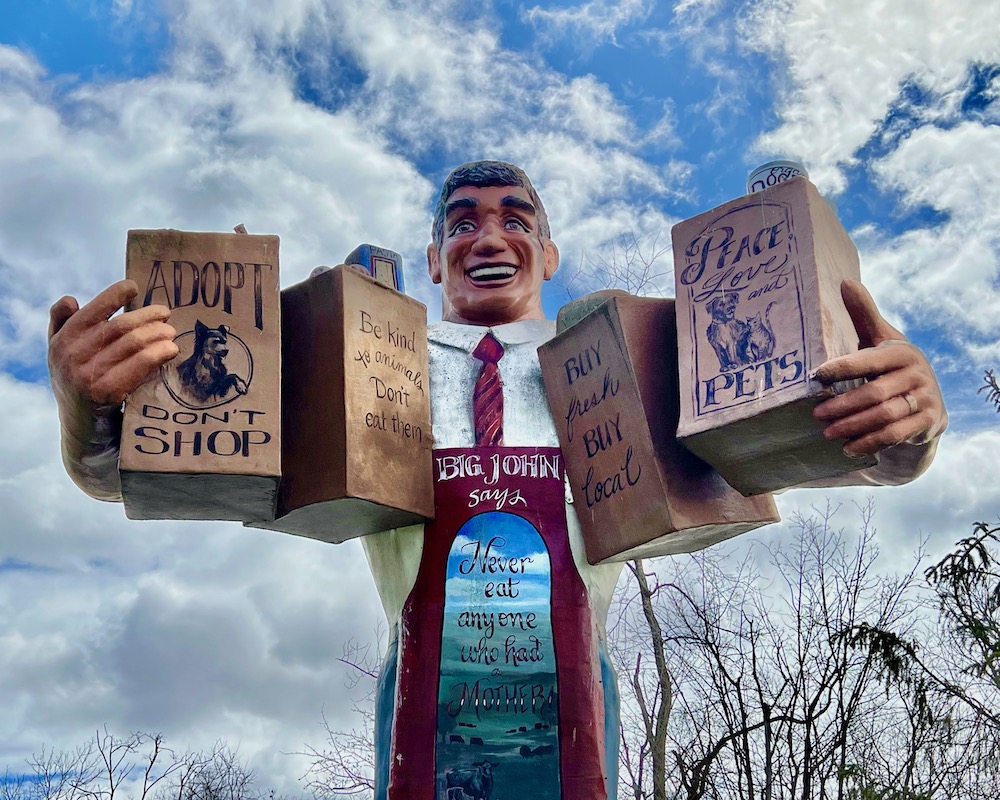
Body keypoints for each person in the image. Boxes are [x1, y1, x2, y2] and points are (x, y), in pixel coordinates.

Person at [48, 161, 948, 799]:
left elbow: (819, 440)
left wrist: (904, 430)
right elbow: (166, 471)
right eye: (462, 223)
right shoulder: (357, 362)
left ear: (549, 256)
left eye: (516, 219)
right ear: (434, 261)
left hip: (578, 703)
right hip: (418, 704)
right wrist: (92, 414)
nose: (490, 236)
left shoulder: (632, 363)